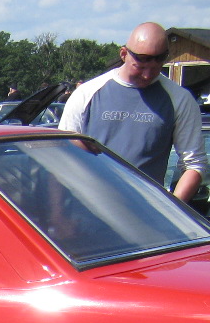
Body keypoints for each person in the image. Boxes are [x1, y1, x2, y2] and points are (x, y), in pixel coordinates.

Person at [60, 21, 205, 201]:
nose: (146, 75)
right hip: (87, 209)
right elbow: (61, 153)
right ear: (123, 54)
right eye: (140, 66)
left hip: (145, 214)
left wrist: (171, 212)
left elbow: (194, 165)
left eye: (155, 68)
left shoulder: (180, 99)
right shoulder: (87, 94)